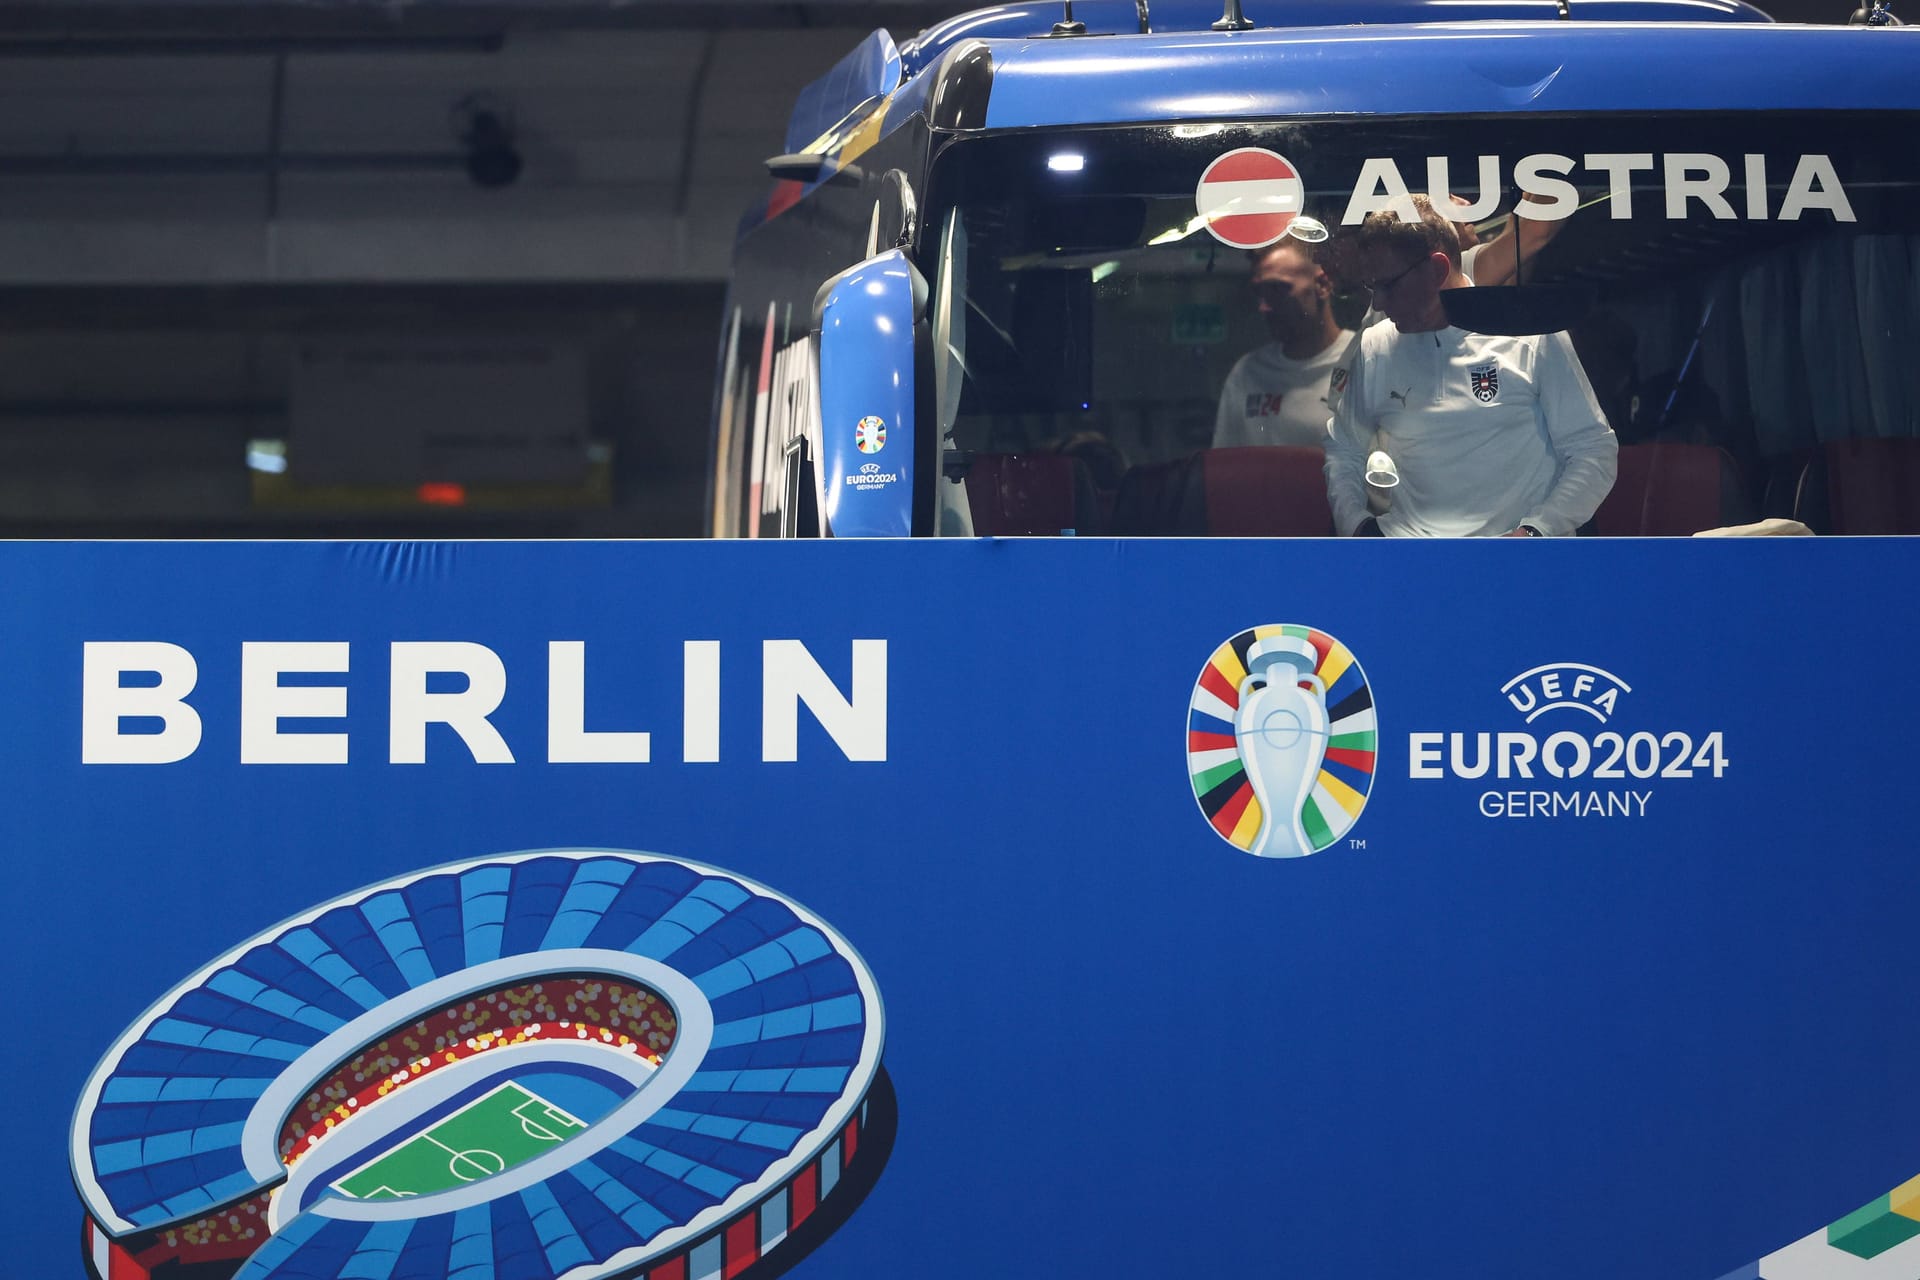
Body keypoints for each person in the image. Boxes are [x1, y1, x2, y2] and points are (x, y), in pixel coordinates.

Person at [1325, 195, 1617, 537]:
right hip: (1412, 563)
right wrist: (1359, 529)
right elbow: (1343, 449)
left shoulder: (1530, 333)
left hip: (1519, 561)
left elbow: (1593, 450)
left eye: (1388, 285)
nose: (1378, 302)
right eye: (1371, 286)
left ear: (1437, 269)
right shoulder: (1374, 345)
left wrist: (1537, 532)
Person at [1213, 235, 1356, 448]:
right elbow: (1225, 468)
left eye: (1277, 290)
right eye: (1260, 293)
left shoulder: (1360, 361)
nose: (1264, 307)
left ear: (1323, 285)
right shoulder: (1248, 372)